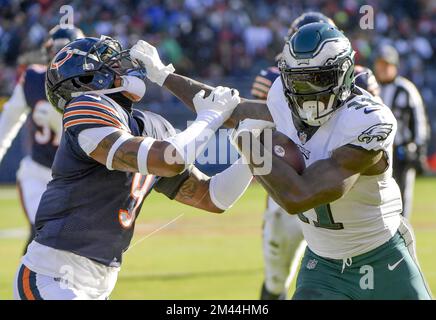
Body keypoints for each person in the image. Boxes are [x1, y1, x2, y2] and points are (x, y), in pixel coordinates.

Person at [131, 22, 432, 299]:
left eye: (318, 79)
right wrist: (162, 75)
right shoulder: (282, 100)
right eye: (298, 82)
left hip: (382, 257)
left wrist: (250, 144)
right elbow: (225, 107)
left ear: (344, 74)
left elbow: (299, 196)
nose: (307, 93)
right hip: (323, 265)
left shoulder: (367, 120)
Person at [14, 36, 252, 300]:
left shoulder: (151, 125)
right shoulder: (85, 107)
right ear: (88, 81)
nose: (124, 66)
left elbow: (214, 197)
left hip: (99, 284)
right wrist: (210, 116)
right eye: (111, 63)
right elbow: (168, 160)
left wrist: (254, 154)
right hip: (52, 275)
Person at [250, 12, 337, 300]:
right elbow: (258, 134)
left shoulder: (357, 77)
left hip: (335, 187)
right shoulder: (271, 79)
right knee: (277, 280)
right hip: (287, 186)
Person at [0, 26, 84, 252]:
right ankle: (27, 284)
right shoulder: (34, 78)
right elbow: (8, 121)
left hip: (76, 176)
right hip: (38, 171)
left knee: (72, 242)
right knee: (45, 233)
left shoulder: (92, 86)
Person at [374, 44, 430, 219]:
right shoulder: (371, 88)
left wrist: (418, 149)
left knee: (402, 195)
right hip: (378, 151)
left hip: (401, 150)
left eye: (386, 65)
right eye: (380, 65)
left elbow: (419, 121)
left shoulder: (406, 89)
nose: (382, 69)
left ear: (395, 66)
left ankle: (402, 232)